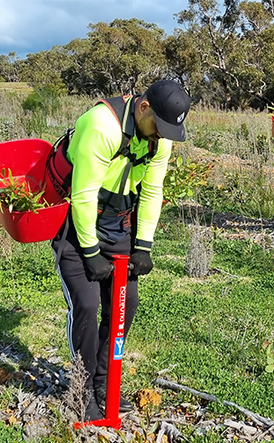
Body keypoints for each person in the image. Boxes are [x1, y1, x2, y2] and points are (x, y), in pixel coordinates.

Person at [51, 80, 191, 421]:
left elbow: (153, 189)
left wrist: (143, 245)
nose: (162, 136)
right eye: (160, 126)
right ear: (144, 108)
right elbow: (83, 194)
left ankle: (103, 383)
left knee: (123, 309)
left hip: (119, 223)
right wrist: (89, 252)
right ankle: (81, 391)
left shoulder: (160, 139)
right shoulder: (102, 126)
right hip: (76, 223)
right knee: (86, 304)